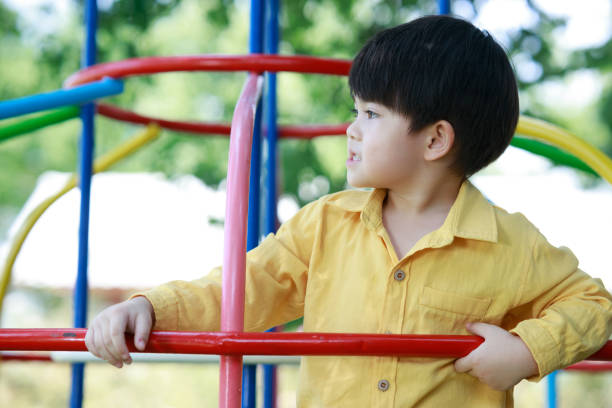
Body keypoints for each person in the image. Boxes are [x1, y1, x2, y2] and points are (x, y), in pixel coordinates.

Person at [85, 15, 612, 407]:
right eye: (354, 110)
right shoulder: (325, 225)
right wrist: (150, 308)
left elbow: (594, 304)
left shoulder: (508, 243)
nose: (350, 127)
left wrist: (527, 351)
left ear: (435, 140)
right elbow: (238, 291)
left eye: (371, 113)